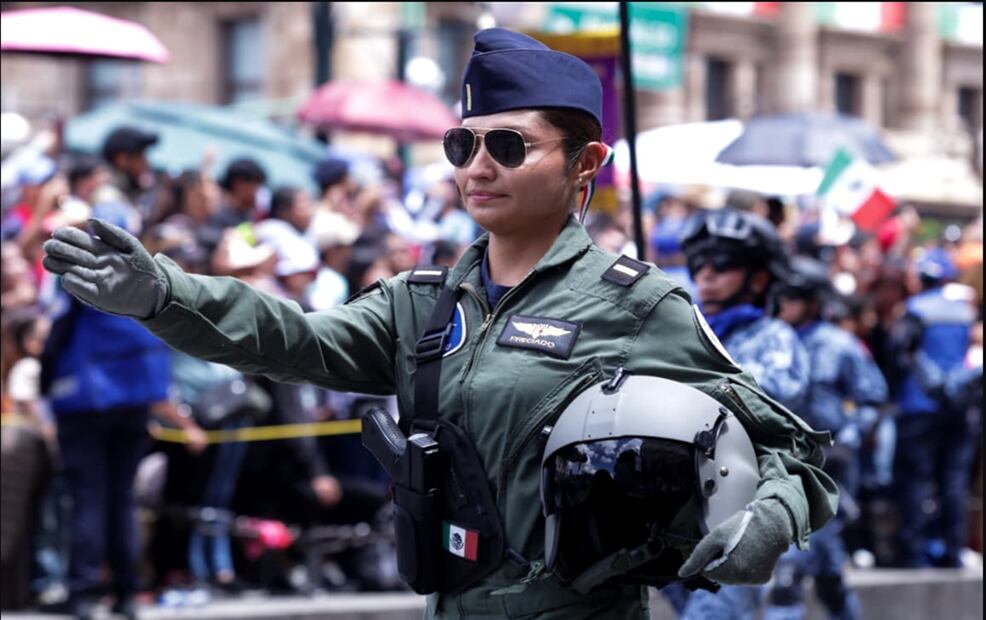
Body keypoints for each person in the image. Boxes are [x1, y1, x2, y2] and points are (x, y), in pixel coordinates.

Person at [42, 28, 836, 620]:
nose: (477, 165)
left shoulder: (637, 304)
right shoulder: (422, 300)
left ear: (585, 165)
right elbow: (295, 340)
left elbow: (788, 448)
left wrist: (765, 519)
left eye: (507, 144)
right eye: (463, 142)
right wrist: (163, 296)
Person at [665, 207, 813, 620]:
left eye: (723, 263)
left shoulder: (774, 337)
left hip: (745, 509)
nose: (706, 273)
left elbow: (774, 397)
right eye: (699, 262)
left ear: (759, 277)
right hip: (676, 511)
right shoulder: (681, 331)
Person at [770, 256, 889, 620]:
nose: (784, 304)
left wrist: (849, 441)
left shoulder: (840, 345)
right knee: (808, 573)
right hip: (778, 467)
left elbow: (873, 396)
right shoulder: (769, 341)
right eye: (781, 296)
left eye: (793, 297)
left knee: (806, 573)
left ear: (814, 302)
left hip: (828, 472)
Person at [889, 247, 978, 568]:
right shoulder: (964, 312)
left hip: (920, 404)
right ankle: (952, 550)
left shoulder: (914, 310)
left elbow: (899, 352)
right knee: (953, 480)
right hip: (958, 404)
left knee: (916, 479)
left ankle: (911, 553)